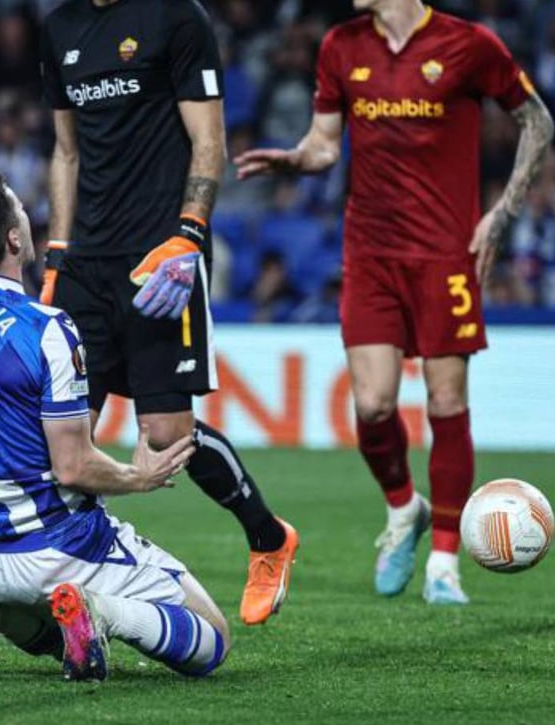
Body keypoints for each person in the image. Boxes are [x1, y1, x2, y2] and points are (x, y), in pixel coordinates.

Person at [235, 0, 554, 605]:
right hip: (371, 252)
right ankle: (404, 508)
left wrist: (502, 213)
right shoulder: (342, 45)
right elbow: (326, 144)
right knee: (375, 404)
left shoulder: (470, 46)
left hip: (445, 253)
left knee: (445, 398)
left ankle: (443, 563)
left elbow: (537, 121)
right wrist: (295, 159)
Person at [0, 168, 226, 682]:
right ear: (15, 238)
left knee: (35, 610)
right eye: (18, 208)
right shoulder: (47, 329)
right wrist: (138, 478)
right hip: (65, 548)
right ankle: (100, 610)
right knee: (212, 639)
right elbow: (74, 468)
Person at [39, 0, 297, 625]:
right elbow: (66, 152)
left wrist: (189, 235)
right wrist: (54, 259)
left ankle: (268, 538)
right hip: (85, 266)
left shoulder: (178, 17)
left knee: (165, 436)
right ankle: (72, 583)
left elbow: (209, 140)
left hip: (161, 258)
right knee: (60, 446)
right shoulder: (59, 28)